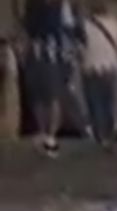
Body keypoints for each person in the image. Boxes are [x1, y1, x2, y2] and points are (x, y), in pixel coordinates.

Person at [21, 0, 83, 155]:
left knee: (52, 94)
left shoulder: (62, 7)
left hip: (53, 53)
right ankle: (44, 132)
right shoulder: (34, 5)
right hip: (40, 52)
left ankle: (50, 134)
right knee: (39, 95)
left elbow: (71, 30)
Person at [81, 0, 117, 145]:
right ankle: (110, 133)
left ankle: (101, 136)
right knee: (109, 102)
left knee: (95, 104)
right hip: (111, 66)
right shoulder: (114, 23)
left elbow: (81, 46)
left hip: (91, 67)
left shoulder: (84, 25)